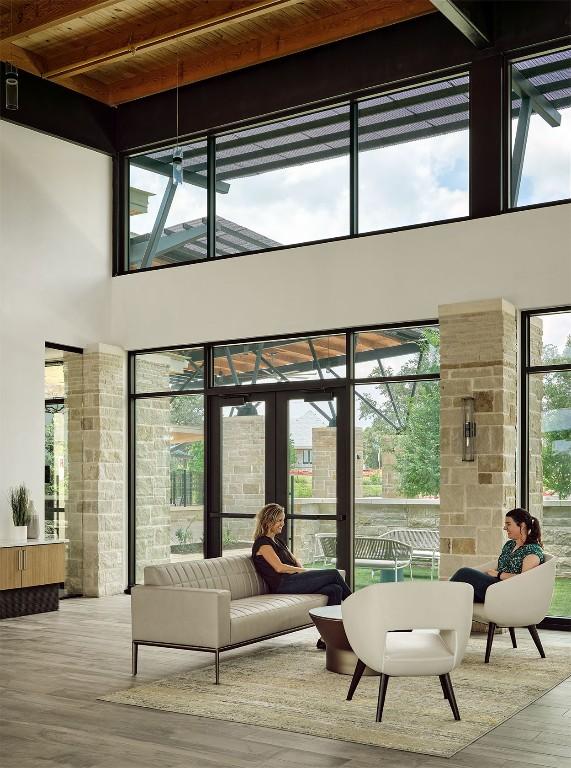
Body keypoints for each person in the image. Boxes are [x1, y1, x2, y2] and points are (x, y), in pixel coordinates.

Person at [251, 503, 352, 607]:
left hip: (294, 580)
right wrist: (305, 571)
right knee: (333, 573)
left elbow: (295, 561)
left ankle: (330, 622)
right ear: (268, 521)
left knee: (335, 589)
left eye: (283, 520)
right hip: (283, 584)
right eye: (279, 520)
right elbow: (279, 568)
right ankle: (357, 606)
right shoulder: (262, 543)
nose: (283, 524)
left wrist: (304, 573)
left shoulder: (278, 541)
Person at [450, 507, 544, 602]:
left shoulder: (532, 552)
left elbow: (524, 581)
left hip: (508, 592)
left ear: (522, 525)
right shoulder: (510, 545)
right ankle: (443, 607)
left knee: (464, 573)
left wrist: (499, 574)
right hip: (495, 586)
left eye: (508, 524)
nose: (504, 528)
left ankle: (442, 594)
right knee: (460, 594)